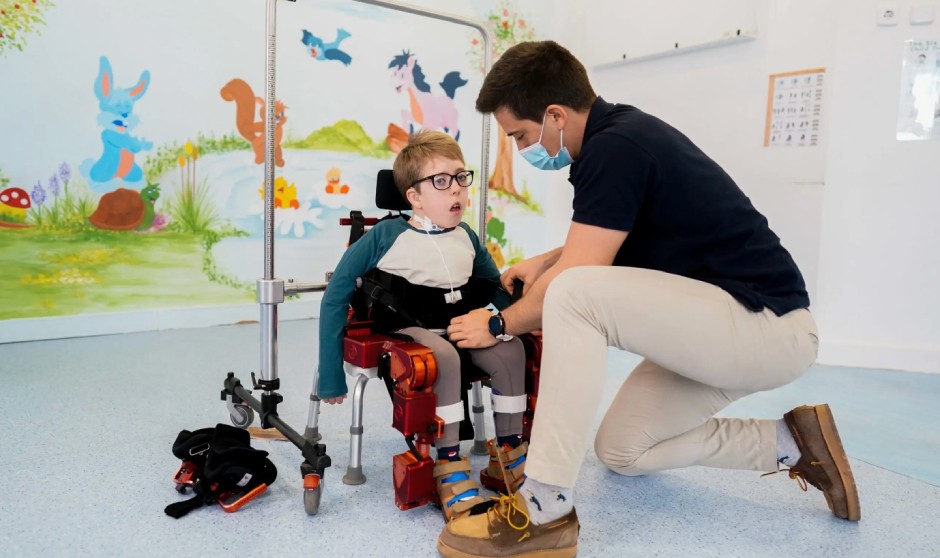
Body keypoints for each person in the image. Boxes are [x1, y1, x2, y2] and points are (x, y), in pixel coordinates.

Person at [440, 40, 860, 558]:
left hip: (768, 328)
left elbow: (580, 271)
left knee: (573, 292)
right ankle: (791, 443)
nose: (524, 148)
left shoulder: (617, 147)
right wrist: (543, 263)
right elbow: (607, 236)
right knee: (621, 449)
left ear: (554, 115)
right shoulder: (622, 138)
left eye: (522, 136)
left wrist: (499, 324)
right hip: (725, 329)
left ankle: (545, 506)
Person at [317, 130, 530, 522]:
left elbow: (498, 287)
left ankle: (509, 453)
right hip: (405, 329)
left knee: (511, 348)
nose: (457, 192)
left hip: (457, 327)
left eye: (461, 178)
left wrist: (491, 319)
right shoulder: (384, 235)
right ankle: (448, 463)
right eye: (442, 182)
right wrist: (329, 374)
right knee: (443, 357)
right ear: (414, 196)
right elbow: (336, 295)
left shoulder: (465, 236)